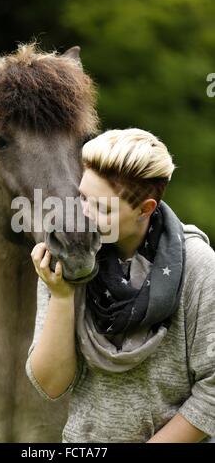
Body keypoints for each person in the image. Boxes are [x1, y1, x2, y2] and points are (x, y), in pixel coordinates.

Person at [25, 128, 215, 443]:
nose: (84, 215)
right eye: (83, 198)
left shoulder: (198, 265)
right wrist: (61, 294)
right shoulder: (69, 251)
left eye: (103, 208)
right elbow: (51, 385)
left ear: (145, 209)